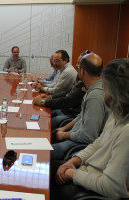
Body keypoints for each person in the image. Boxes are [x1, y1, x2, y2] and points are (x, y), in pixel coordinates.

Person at [51, 59, 129, 200]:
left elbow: (111, 187)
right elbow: (99, 143)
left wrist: (71, 174)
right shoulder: (116, 114)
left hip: (91, 189)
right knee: (43, 168)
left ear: (114, 91)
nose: (103, 91)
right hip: (84, 169)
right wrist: (74, 160)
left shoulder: (126, 132)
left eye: (105, 88)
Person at [51, 53, 109, 160]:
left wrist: (64, 135)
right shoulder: (92, 88)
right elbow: (81, 115)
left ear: (82, 71)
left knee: (45, 154)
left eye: (78, 67)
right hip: (75, 134)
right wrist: (63, 129)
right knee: (49, 137)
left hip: (80, 144)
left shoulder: (95, 96)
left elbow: (89, 136)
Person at [33, 51, 90, 130]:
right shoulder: (78, 76)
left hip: (70, 114)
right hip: (66, 109)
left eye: (79, 64)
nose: (77, 66)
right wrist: (49, 98)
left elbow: (68, 100)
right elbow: (67, 92)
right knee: (42, 115)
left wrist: (43, 101)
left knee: (44, 123)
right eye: (77, 63)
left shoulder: (84, 83)